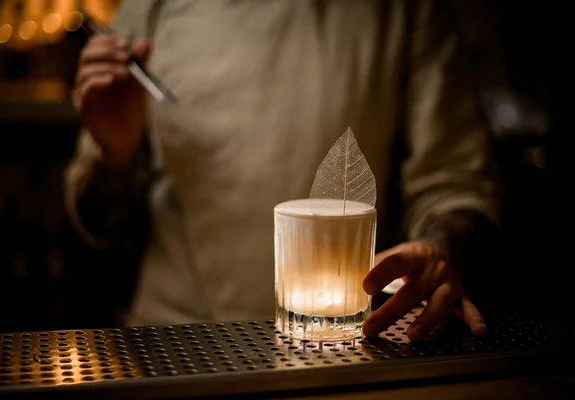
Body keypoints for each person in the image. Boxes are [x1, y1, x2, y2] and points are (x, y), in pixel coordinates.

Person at [65, 0, 500, 342]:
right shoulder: (149, 9)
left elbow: (456, 184)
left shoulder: (403, 10)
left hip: (343, 344)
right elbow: (98, 223)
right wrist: (114, 155)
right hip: (176, 339)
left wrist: (438, 251)